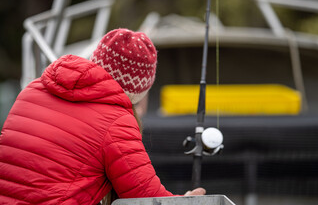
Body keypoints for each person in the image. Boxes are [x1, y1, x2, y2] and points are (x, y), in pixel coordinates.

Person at [0, 28, 205, 204]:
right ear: (139, 91)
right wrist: (184, 199)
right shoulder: (117, 122)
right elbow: (146, 198)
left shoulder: (33, 89)